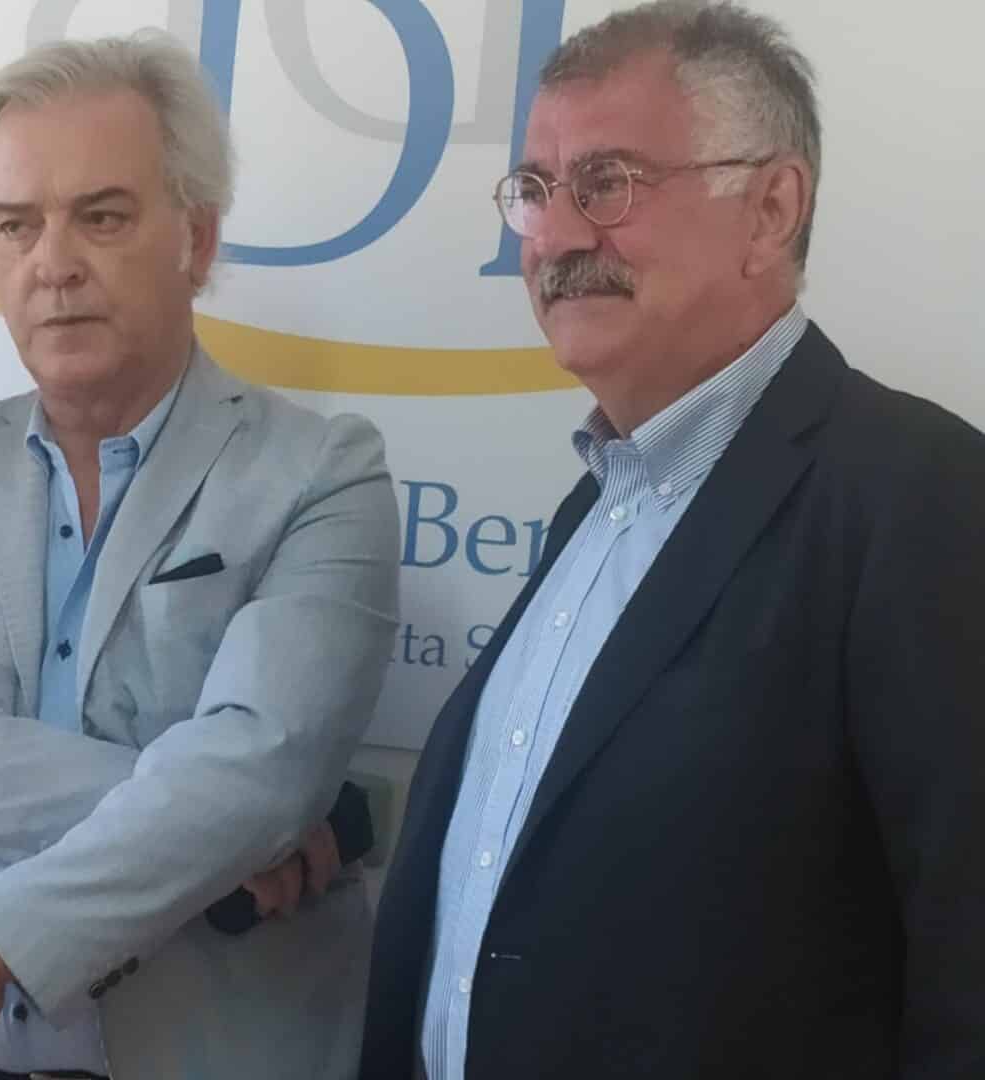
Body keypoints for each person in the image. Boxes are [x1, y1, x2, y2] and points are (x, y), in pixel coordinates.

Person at [358, 4, 985, 1077]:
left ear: (769, 209)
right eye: (535, 189)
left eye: (607, 182)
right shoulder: (593, 506)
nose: (556, 238)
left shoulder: (921, 497)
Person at [0, 32, 401, 1080]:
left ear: (196, 239)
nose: (53, 263)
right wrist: (225, 828)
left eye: (103, 215)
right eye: (16, 224)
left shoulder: (323, 473)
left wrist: (1, 940)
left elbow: (260, 767)